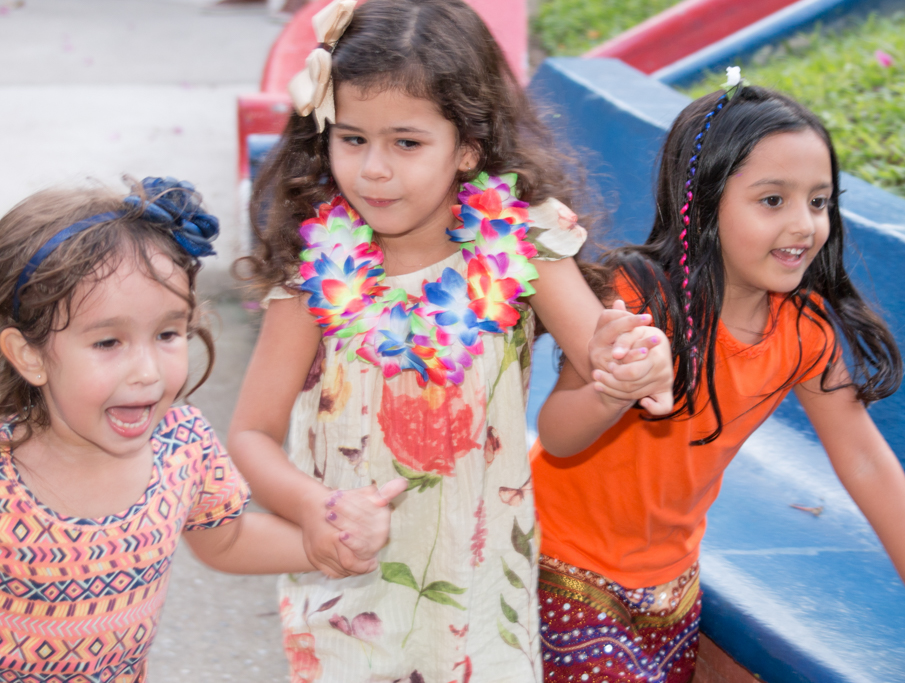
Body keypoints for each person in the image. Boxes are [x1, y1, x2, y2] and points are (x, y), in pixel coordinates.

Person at [226, 0, 672, 680]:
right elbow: (251, 434)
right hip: (350, 600)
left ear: (466, 146)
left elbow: (595, 377)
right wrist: (318, 507)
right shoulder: (314, 268)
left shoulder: (524, 243)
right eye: (352, 139)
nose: (374, 169)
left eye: (406, 142)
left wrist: (629, 361)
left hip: (480, 599)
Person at [532, 79, 905, 682]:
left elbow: (863, 458)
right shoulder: (638, 303)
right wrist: (614, 385)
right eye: (772, 200)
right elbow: (556, 435)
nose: (804, 224)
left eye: (818, 201)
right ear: (702, 205)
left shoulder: (803, 330)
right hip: (564, 571)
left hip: (671, 589)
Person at [0, 178, 351, 681]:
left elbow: (225, 540)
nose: (147, 372)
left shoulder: (181, 444)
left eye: (166, 334)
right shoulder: (0, 481)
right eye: (107, 342)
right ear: (29, 355)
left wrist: (321, 545)